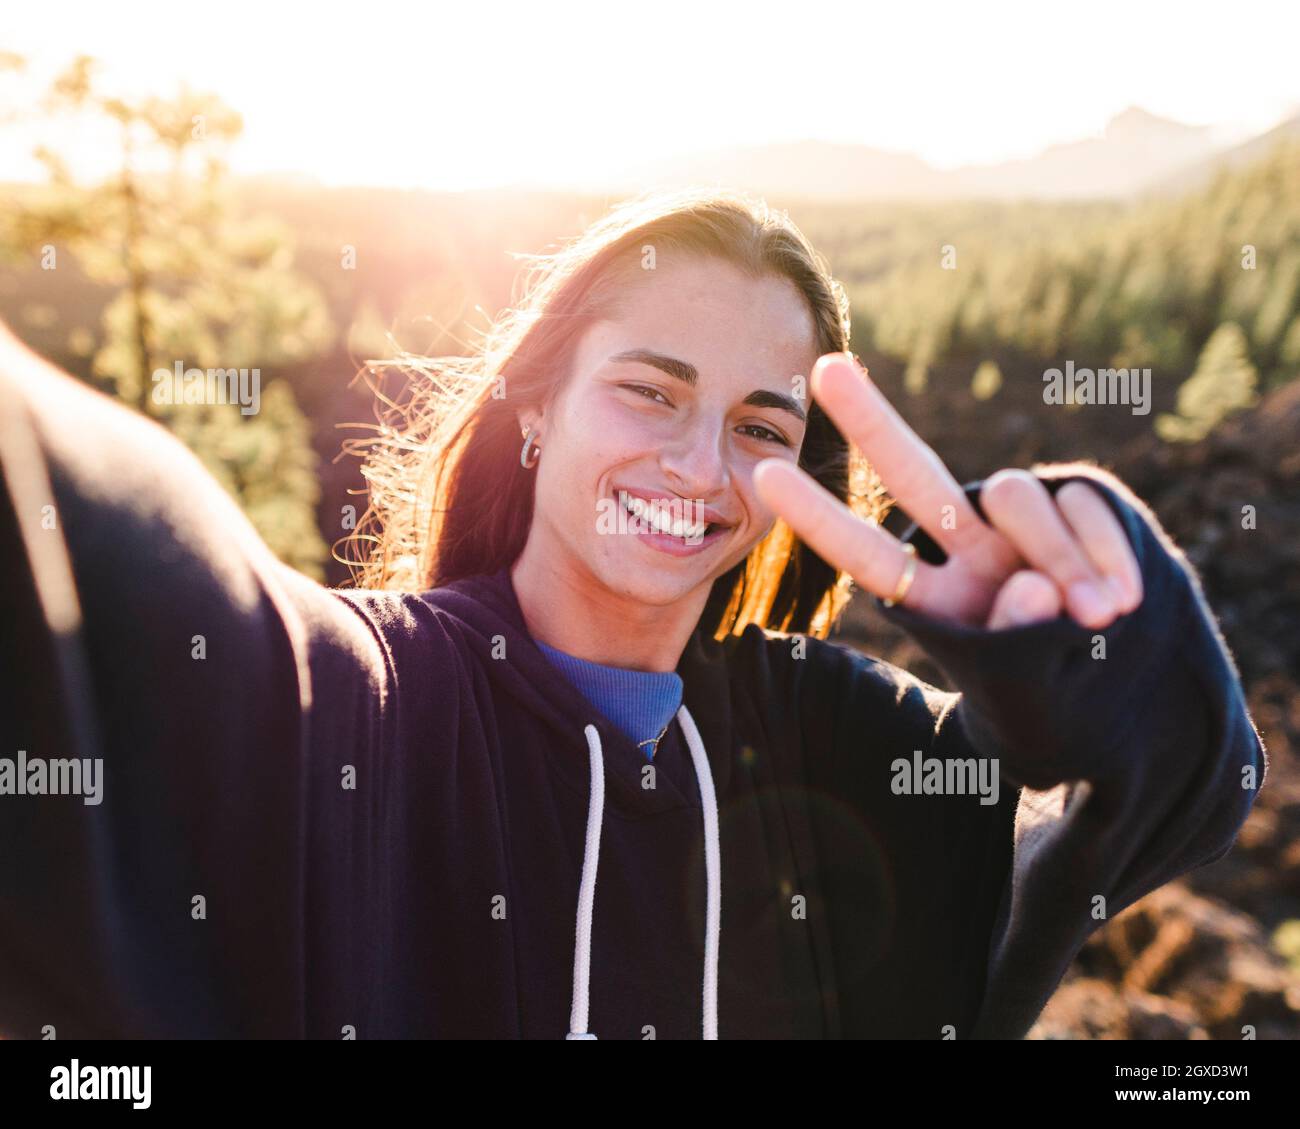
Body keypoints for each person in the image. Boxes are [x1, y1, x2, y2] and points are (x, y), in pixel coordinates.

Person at [0, 189, 1264, 1040]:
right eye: (648, 392)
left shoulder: (835, 739)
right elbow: (114, 574)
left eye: (759, 428)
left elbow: (1175, 790)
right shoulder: (377, 704)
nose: (699, 467)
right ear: (536, 408)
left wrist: (1093, 651)